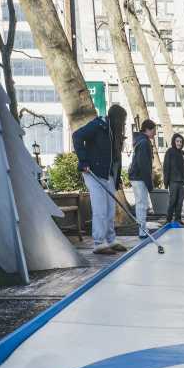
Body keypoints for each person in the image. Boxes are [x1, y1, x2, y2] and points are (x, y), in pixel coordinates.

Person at [72, 104, 128, 255]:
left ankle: (111, 239)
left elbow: (114, 158)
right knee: (100, 209)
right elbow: (77, 136)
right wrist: (83, 161)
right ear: (116, 119)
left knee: (110, 209)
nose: (123, 125)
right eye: (122, 121)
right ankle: (99, 243)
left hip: (107, 174)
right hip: (93, 172)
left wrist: (116, 178)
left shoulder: (113, 132)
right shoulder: (99, 125)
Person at [129, 119, 157, 239]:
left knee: (142, 203)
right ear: (147, 129)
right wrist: (149, 183)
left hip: (137, 176)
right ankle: (142, 230)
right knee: (141, 204)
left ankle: (143, 229)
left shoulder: (140, 141)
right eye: (154, 131)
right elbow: (144, 164)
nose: (155, 134)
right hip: (139, 177)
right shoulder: (144, 142)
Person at [163, 133, 184, 226]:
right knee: (173, 201)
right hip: (173, 182)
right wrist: (166, 182)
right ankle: (168, 220)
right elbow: (166, 167)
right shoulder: (169, 152)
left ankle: (178, 219)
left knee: (180, 202)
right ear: (174, 142)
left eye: (181, 141)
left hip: (182, 182)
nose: (179, 143)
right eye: (177, 141)